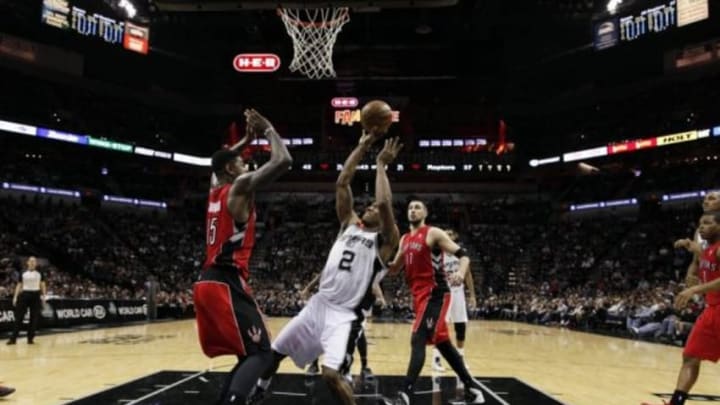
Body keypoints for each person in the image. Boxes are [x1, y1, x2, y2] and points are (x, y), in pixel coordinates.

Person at [248, 134, 402, 405]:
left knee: (331, 375)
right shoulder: (349, 224)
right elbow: (342, 182)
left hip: (345, 316)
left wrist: (380, 165)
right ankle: (260, 389)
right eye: (368, 205)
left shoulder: (386, 241)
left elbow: (386, 202)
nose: (370, 206)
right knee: (274, 353)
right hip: (318, 305)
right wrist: (362, 145)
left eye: (374, 208)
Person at [193, 108, 292, 405]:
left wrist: (242, 142)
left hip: (208, 282)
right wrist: (268, 129)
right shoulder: (238, 187)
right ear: (231, 171)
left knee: (248, 353)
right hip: (226, 280)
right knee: (262, 353)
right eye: (241, 161)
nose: (245, 162)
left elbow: (216, 165)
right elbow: (284, 160)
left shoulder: (216, 190)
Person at [385, 201, 485, 404]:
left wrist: (460, 272)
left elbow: (463, 256)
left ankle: (404, 395)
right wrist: (377, 262)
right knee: (444, 344)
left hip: (435, 293)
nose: (413, 210)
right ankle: (474, 390)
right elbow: (395, 268)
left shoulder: (433, 233)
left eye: (417, 207)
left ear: (425, 213)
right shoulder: (404, 239)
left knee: (417, 338)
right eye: (410, 207)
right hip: (419, 296)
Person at [644, 211, 720, 405]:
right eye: (700, 223)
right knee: (690, 356)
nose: (701, 227)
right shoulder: (710, 249)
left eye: (707, 223)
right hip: (712, 309)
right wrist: (690, 246)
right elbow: (705, 258)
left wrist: (695, 288)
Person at [430, 229, 477, 382]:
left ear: (455, 237)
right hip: (443, 293)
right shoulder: (437, 253)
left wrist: (473, 295)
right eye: (445, 234)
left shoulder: (460, 254)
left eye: (450, 234)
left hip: (458, 293)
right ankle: (436, 359)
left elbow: (468, 275)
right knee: (441, 327)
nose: (447, 236)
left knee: (461, 326)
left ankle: (461, 358)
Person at [7, 256, 46, 345]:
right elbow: (19, 285)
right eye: (31, 261)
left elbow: (43, 285)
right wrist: (15, 297)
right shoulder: (23, 273)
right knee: (19, 318)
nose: (32, 262)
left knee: (34, 318)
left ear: (36, 263)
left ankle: (30, 339)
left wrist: (44, 297)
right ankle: (13, 339)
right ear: (27, 263)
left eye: (34, 261)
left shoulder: (40, 273)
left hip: (36, 295)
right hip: (25, 295)